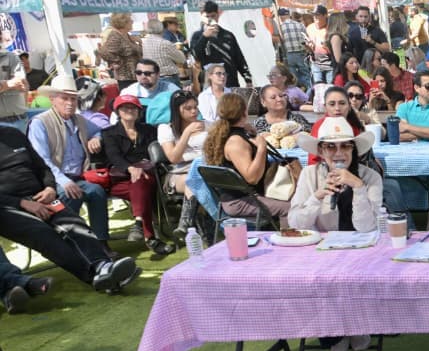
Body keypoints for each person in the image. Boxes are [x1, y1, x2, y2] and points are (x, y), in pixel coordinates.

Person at [0, 124, 138, 294]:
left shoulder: (13, 134)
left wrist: (50, 188)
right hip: (8, 207)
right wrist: (22, 203)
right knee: (43, 234)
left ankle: (104, 266)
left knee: (75, 224)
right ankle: (96, 276)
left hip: (42, 196)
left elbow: (42, 167)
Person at [291, 117, 380, 351]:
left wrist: (358, 188)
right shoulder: (309, 175)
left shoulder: (370, 177)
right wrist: (318, 196)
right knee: (322, 280)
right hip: (320, 252)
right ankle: (337, 340)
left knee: (352, 275)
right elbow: (296, 222)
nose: (338, 153)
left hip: (361, 250)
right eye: (331, 147)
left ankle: (354, 327)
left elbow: (368, 228)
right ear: (321, 151)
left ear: (354, 149)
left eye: (345, 146)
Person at [28, 74, 110, 242]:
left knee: (96, 191)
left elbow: (103, 130)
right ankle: (73, 242)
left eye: (73, 99)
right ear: (52, 100)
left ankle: (101, 241)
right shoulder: (40, 122)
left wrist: (96, 138)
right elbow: (42, 160)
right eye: (64, 98)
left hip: (79, 176)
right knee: (70, 194)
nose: (70, 103)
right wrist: (63, 181)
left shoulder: (79, 119)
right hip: (53, 180)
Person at [202, 93, 294, 225]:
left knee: (295, 198)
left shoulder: (226, 134)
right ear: (244, 112)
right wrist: (261, 148)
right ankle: (288, 237)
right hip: (240, 201)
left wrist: (252, 132)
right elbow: (252, 178)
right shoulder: (236, 141)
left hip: (244, 196)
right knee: (291, 208)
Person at [101, 95, 173, 254]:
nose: (129, 110)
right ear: (118, 111)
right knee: (141, 191)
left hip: (147, 176)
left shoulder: (149, 130)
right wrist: (130, 168)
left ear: (139, 111)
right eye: (125, 107)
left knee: (140, 183)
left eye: (133, 107)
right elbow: (114, 156)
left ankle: (140, 225)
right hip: (121, 179)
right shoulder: (109, 133)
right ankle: (149, 237)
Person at [157, 90, 205, 234]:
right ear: (177, 110)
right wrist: (187, 133)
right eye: (188, 108)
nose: (194, 111)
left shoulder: (206, 125)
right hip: (180, 172)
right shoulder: (166, 129)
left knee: (199, 181)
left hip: (205, 170)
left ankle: (187, 224)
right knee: (194, 180)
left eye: (195, 107)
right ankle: (192, 225)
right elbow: (173, 158)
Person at [190, 1, 251, 88]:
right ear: (202, 17)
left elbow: (239, 59)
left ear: (218, 15)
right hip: (210, 84)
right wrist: (204, 37)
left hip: (230, 82)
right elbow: (196, 56)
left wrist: (248, 79)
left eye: (213, 16)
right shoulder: (197, 36)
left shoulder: (228, 35)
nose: (210, 19)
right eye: (207, 16)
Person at [396, 70, 429, 142]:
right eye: (428, 86)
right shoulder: (404, 108)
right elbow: (399, 135)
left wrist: (407, 127)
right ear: (417, 88)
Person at [99, 12, 143, 89]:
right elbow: (104, 52)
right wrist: (117, 61)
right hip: (126, 78)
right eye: (130, 20)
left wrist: (139, 42)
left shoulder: (126, 35)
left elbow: (137, 52)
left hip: (134, 76)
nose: (132, 21)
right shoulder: (115, 35)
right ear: (123, 22)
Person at [141, 19, 187, 88]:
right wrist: (179, 49)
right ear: (162, 28)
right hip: (168, 78)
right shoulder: (164, 43)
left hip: (152, 77)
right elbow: (181, 59)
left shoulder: (145, 43)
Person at [277, 10, 311, 89]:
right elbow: (306, 38)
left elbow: (281, 40)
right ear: (289, 15)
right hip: (301, 52)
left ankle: (297, 91)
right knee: (306, 73)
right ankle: (310, 90)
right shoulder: (300, 24)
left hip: (290, 54)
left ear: (280, 17)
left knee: (293, 76)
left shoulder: (281, 27)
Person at [0, 46, 28, 132]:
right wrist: (9, 84)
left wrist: (4, 86)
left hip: (17, 119)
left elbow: (21, 82)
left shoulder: (11, 57)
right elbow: (15, 82)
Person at [307, 5, 334, 87]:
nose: (315, 17)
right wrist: (308, 46)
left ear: (325, 15)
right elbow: (310, 49)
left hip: (330, 64)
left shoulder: (331, 27)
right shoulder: (310, 28)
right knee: (318, 88)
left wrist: (327, 46)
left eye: (317, 15)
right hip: (316, 64)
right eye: (314, 15)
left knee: (330, 88)